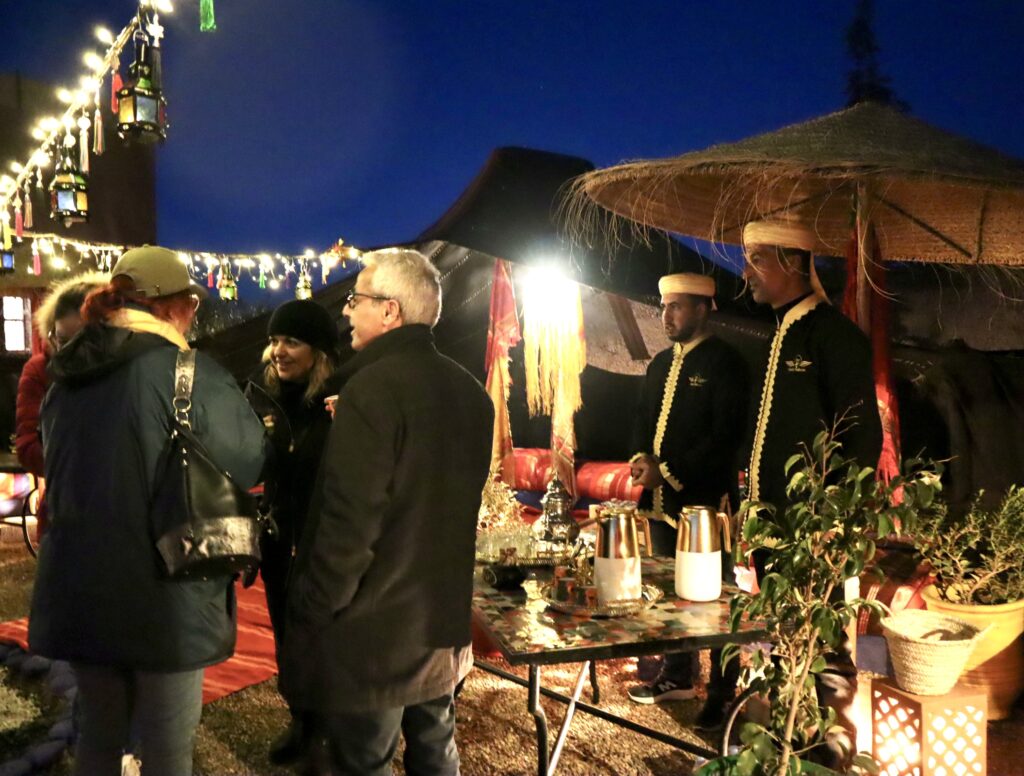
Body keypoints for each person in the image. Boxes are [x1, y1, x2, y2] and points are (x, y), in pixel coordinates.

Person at [28, 246, 266, 776]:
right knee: (166, 751)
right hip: (166, 592)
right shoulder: (188, 371)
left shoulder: (63, 378)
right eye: (193, 306)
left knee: (98, 737)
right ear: (172, 306)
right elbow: (248, 456)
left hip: (79, 587)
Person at [280, 248, 493, 776]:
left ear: (391, 311)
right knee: (436, 750)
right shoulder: (472, 393)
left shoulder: (370, 389)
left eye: (357, 300)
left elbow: (351, 526)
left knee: (362, 761)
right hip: (440, 624)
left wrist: (310, 604)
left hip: (373, 633)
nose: (346, 312)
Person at [741, 218, 882, 767]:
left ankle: (830, 756)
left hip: (812, 532)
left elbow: (861, 440)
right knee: (778, 638)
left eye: (758, 259)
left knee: (825, 648)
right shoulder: (775, 335)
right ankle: (786, 747)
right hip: (769, 526)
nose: (747, 273)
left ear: (795, 264)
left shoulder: (835, 336)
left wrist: (833, 525)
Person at [626, 273, 749, 732]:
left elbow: (724, 439)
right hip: (659, 504)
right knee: (671, 596)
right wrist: (640, 458)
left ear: (703, 308)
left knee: (715, 600)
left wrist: (669, 470)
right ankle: (677, 676)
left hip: (705, 507)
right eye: (664, 307)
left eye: (677, 307)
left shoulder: (727, 365)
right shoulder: (659, 364)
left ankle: (722, 694)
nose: (667, 316)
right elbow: (641, 418)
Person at [244, 299, 341, 766]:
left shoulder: (341, 399)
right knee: (284, 630)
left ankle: (325, 732)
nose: (278, 351)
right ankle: (300, 720)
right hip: (279, 537)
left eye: (292, 341)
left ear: (318, 351)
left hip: (324, 542)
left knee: (320, 638)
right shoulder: (261, 397)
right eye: (274, 340)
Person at [15, 272, 108, 538]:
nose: (76, 351)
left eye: (87, 338)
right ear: (52, 334)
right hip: (64, 511)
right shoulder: (40, 369)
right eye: (65, 340)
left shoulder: (127, 371)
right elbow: (27, 446)